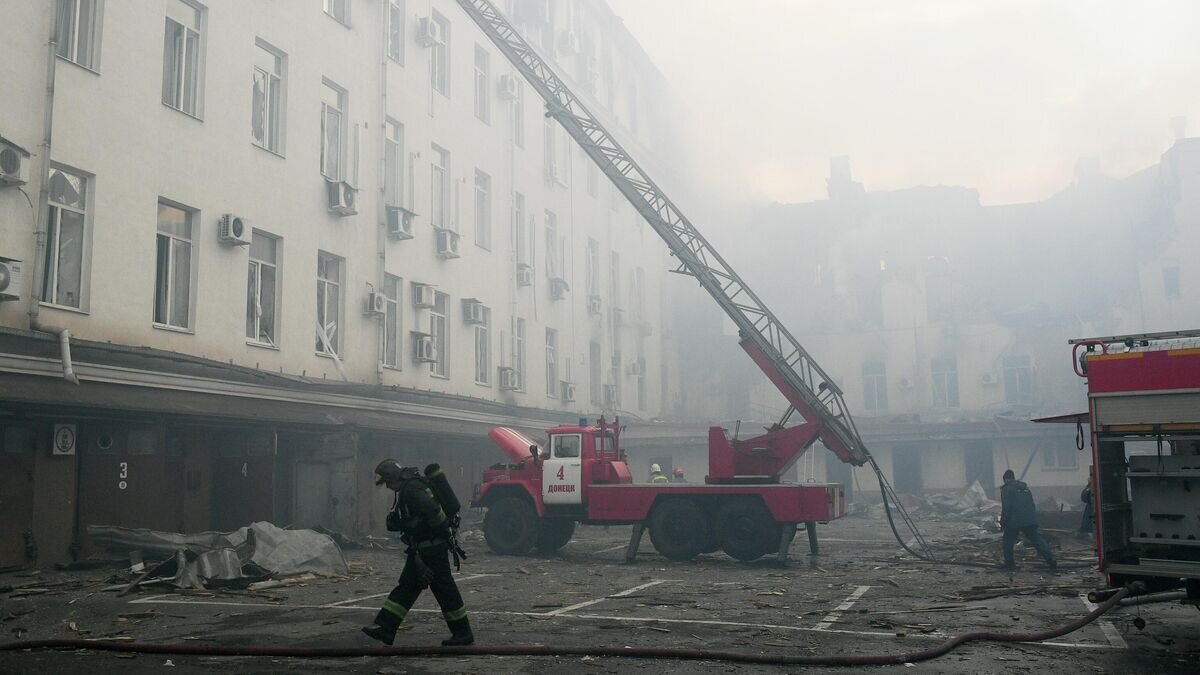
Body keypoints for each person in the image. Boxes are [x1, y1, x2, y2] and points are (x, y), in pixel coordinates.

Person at [362, 459, 474, 647]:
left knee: (442, 588)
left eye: (387, 482)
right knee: (410, 586)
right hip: (426, 546)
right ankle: (386, 628)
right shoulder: (412, 485)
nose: (388, 487)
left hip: (430, 547)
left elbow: (432, 511)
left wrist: (440, 532)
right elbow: (417, 516)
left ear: (392, 476)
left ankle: (463, 633)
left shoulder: (411, 489)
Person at [999, 469, 1056, 571]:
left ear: (1006, 479)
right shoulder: (1025, 489)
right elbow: (1032, 505)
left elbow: (1006, 507)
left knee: (1007, 541)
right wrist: (1033, 519)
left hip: (1014, 521)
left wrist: (1003, 521)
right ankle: (1051, 560)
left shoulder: (1006, 489)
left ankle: (1009, 564)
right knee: (1036, 539)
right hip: (1029, 519)